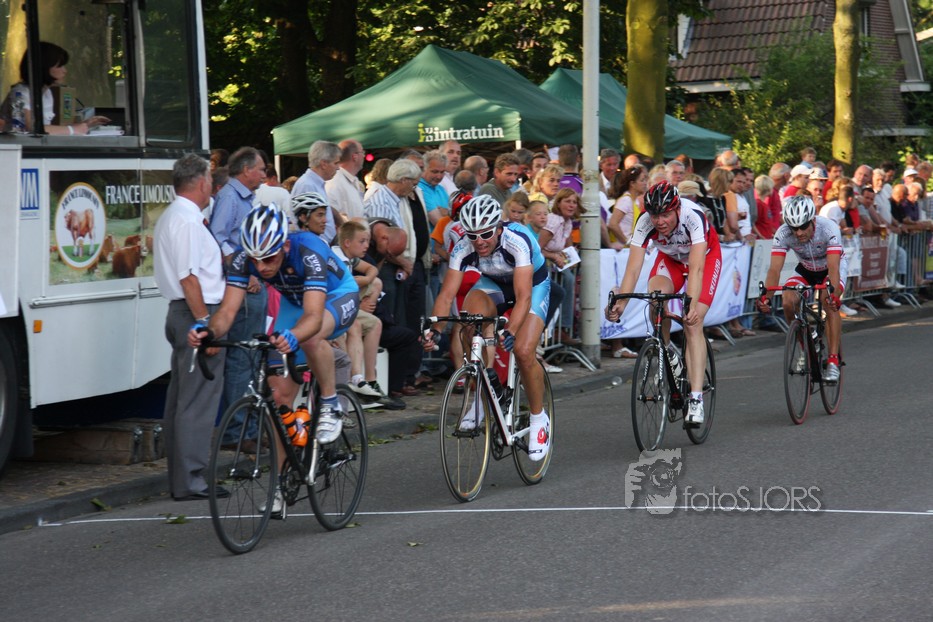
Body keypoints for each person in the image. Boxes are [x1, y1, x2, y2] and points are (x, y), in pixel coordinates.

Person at [424, 196, 552, 461]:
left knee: (523, 350)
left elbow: (523, 296)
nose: (479, 241)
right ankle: (485, 395)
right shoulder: (463, 247)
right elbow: (446, 295)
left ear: (498, 228)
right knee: (469, 319)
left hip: (532, 286)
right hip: (495, 284)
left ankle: (539, 418)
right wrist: (435, 328)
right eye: (473, 235)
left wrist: (511, 330)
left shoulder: (517, 239)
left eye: (485, 234)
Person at [605, 181, 723, 425]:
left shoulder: (693, 217)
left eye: (665, 215)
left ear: (677, 209)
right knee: (656, 298)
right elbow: (633, 268)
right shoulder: (645, 222)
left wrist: (690, 306)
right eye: (655, 215)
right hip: (671, 260)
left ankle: (696, 398)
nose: (659, 221)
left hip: (704, 259)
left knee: (692, 323)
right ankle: (666, 353)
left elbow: (697, 269)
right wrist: (622, 304)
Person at [152, 153, 227, 501]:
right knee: (197, 400)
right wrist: (205, 324)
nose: (212, 185)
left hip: (185, 311)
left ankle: (185, 477)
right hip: (196, 311)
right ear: (200, 182)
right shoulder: (186, 221)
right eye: (210, 179)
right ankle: (192, 479)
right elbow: (189, 278)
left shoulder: (178, 217)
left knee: (184, 398)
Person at [756, 195, 846, 383]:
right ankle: (807, 346)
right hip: (806, 268)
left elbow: (833, 268)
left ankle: (832, 361)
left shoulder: (828, 228)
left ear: (813, 220)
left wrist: (835, 294)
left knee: (827, 300)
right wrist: (767, 297)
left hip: (831, 268)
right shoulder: (782, 233)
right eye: (794, 228)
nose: (798, 233)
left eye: (803, 226)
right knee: (788, 300)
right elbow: (774, 269)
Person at [4, 42, 109, 135]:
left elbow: (47, 129)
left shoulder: (47, 93)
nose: (65, 71)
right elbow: (28, 127)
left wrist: (84, 125)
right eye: (60, 66)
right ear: (44, 67)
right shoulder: (19, 93)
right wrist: (72, 130)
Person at [292, 140, 344, 243]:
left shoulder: (315, 184)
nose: (338, 168)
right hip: (316, 246)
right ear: (324, 164)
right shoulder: (307, 185)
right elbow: (304, 224)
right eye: (336, 163)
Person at [325, 139, 367, 221]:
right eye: (362, 152)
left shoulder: (352, 181)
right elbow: (331, 219)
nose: (364, 156)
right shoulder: (334, 183)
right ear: (355, 156)